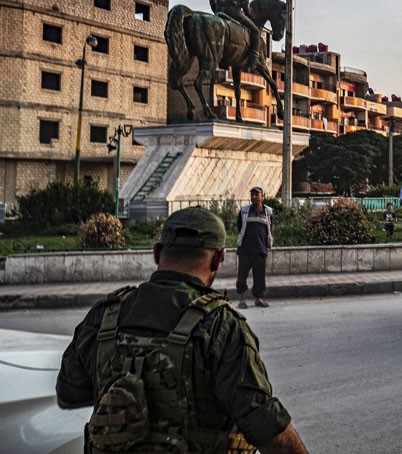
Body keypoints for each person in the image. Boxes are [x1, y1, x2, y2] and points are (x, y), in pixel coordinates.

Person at [56, 206, 308, 453]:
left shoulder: (105, 314)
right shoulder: (223, 326)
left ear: (156, 253)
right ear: (218, 259)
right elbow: (270, 433)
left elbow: (68, 395)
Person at [236, 186, 273, 308]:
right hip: (245, 250)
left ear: (262, 196)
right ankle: (242, 300)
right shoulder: (244, 211)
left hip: (260, 249)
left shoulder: (268, 212)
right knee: (242, 276)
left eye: (257, 195)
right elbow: (239, 226)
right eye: (252, 195)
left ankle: (258, 299)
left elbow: (270, 228)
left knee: (260, 277)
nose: (254, 197)